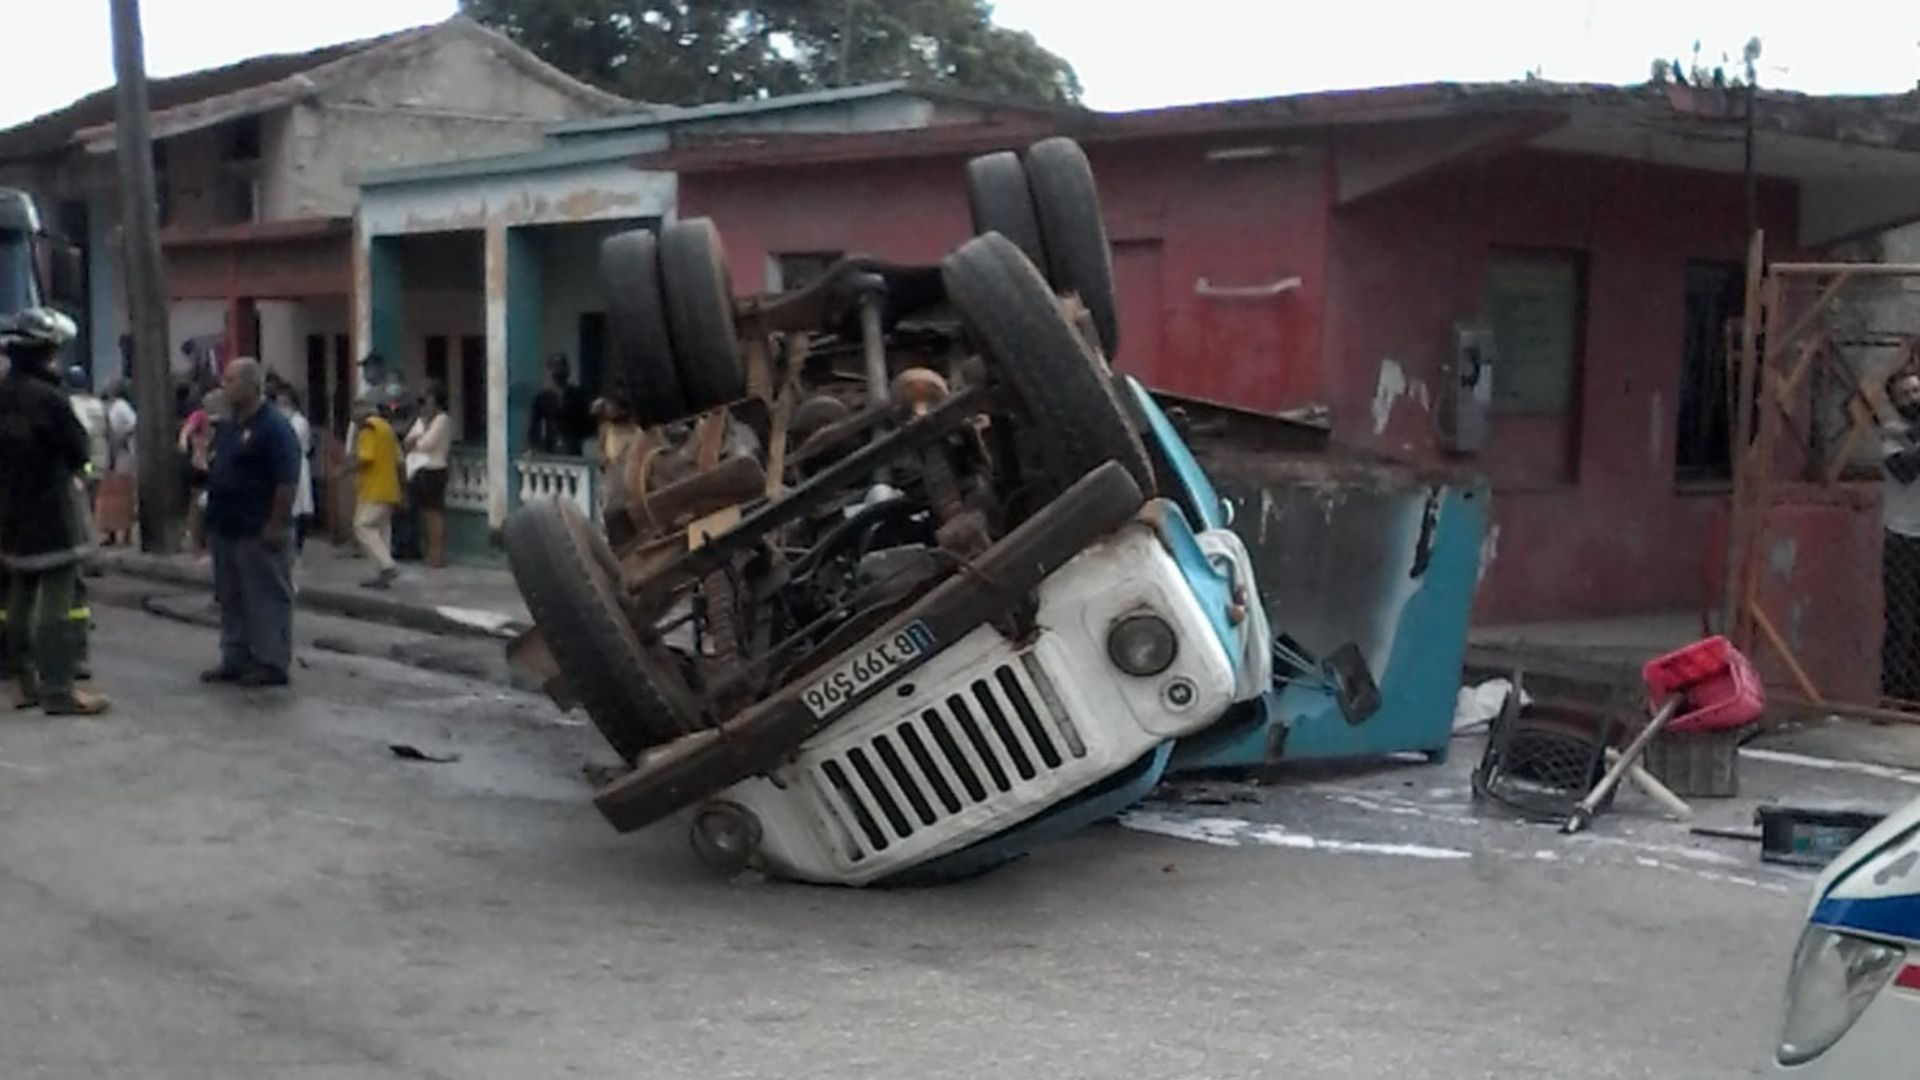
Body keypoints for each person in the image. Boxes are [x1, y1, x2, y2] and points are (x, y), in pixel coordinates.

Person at [0, 308, 109, 715]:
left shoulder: (4, 393)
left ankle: (22, 683)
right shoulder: (50, 398)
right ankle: (59, 689)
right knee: (56, 603)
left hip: (11, 514)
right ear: (47, 352)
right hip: (50, 513)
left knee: (19, 600)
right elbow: (78, 450)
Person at [201, 358, 300, 688]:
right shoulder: (230, 425)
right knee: (231, 597)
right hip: (227, 526)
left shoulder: (273, 427)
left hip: (258, 526)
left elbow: (286, 481)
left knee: (265, 595)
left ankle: (271, 660)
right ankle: (236, 657)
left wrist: (275, 523)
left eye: (230, 380)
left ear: (250, 385)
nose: (223, 386)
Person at [1884, 367, 1920, 705]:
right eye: (1906, 394)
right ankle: (1893, 696)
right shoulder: (1893, 432)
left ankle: (1914, 696)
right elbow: (1905, 469)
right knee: (1901, 620)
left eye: (1917, 391)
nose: (1914, 398)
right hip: (1903, 538)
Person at [350, 397, 404, 589]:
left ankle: (387, 565)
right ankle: (381, 575)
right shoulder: (387, 428)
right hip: (390, 488)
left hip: (374, 488)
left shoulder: (368, 429)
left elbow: (366, 458)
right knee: (382, 531)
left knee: (362, 526)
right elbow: (400, 460)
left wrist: (345, 470)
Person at [404, 382, 453, 568]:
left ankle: (437, 553)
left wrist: (417, 440)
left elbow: (426, 444)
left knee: (435, 513)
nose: (424, 404)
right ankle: (430, 552)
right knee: (425, 513)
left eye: (427, 398)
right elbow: (408, 441)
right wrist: (417, 439)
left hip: (435, 469)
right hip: (420, 469)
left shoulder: (442, 420)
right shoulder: (422, 420)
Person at [274, 383, 316, 552]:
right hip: (285, 464)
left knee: (298, 506)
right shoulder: (281, 421)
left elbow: (294, 442)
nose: (280, 406)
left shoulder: (299, 422)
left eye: (284, 402)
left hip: (298, 464)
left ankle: (298, 545)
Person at [527, 352, 593, 457]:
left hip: (572, 448)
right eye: (554, 367)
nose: (558, 371)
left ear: (568, 370)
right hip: (550, 448)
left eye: (561, 367)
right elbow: (534, 426)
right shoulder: (542, 398)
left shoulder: (578, 396)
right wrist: (533, 446)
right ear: (549, 371)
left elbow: (588, 424)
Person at [100, 379, 137, 546]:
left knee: (122, 493)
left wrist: (122, 440)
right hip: (114, 453)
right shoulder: (113, 407)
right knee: (114, 495)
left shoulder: (121, 406)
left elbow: (133, 424)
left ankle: (124, 533)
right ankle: (113, 533)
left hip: (123, 454)